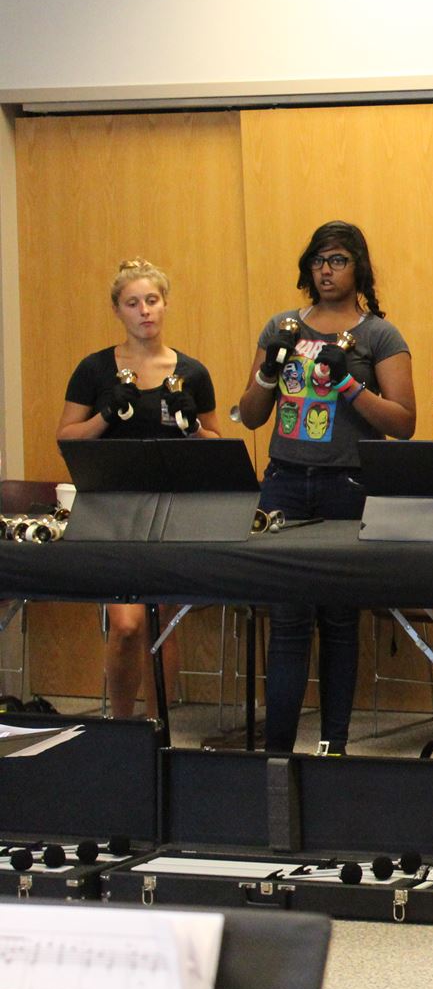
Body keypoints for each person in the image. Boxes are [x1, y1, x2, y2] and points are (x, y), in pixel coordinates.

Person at [237, 221, 415, 755]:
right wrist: (269, 370)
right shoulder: (282, 326)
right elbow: (251, 415)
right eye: (318, 260)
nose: (326, 270)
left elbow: (403, 422)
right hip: (285, 483)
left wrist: (348, 384)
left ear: (358, 267)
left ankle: (333, 747)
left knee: (339, 620)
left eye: (337, 260)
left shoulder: (379, 335)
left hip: (348, 486)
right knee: (288, 620)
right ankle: (278, 753)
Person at [58, 258, 221, 717]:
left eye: (152, 300)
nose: (144, 310)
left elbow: (217, 445)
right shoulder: (95, 369)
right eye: (133, 303)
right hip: (112, 508)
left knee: (159, 621)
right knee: (128, 624)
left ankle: (156, 729)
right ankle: (122, 724)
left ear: (165, 304)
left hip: (173, 508)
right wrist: (105, 417)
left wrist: (192, 427)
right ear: (118, 310)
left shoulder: (191, 372)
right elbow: (66, 438)